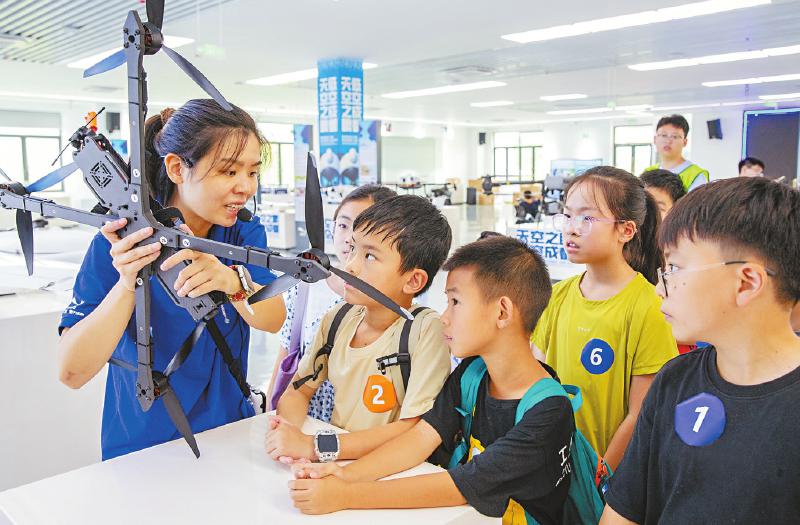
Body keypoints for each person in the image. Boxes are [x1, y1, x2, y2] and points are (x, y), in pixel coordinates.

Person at [287, 236, 576, 523]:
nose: (444, 317)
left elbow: (461, 485)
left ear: (502, 312)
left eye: (455, 302)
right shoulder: (472, 372)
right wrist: (344, 474)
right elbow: (422, 437)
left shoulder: (549, 413)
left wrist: (346, 495)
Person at [58, 99, 286, 459]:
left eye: (253, 172)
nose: (245, 187)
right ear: (178, 168)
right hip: (143, 448)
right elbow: (72, 372)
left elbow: (273, 319)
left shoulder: (242, 232)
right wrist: (128, 283)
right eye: (229, 171)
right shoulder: (118, 244)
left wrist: (232, 282)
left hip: (229, 436)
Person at [601, 177, 800, 524]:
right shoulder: (675, 380)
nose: (660, 289)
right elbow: (624, 511)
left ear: (746, 283)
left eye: (675, 269)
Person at [266, 195, 453, 462]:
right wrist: (287, 432)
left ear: (413, 281)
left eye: (370, 256)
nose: (350, 265)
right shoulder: (337, 319)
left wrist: (315, 447)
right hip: (333, 465)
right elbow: (298, 390)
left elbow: (412, 429)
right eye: (353, 249)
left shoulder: (425, 331)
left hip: (385, 472)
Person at [532, 166, 677, 470]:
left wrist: (601, 474)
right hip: (551, 465)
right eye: (567, 215)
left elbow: (641, 413)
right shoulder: (557, 296)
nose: (571, 229)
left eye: (587, 218)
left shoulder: (649, 306)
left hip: (605, 475)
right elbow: (538, 379)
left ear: (626, 230)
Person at [265, 184, 397, 418]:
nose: (349, 238)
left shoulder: (391, 298)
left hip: (359, 427)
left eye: (363, 228)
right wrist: (270, 410)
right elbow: (287, 351)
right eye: (343, 225)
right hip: (302, 419)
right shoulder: (306, 285)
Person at [644, 114, 709, 192]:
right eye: (664, 135)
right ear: (655, 139)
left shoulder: (696, 175)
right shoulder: (648, 172)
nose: (668, 141)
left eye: (675, 136)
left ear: (685, 142)